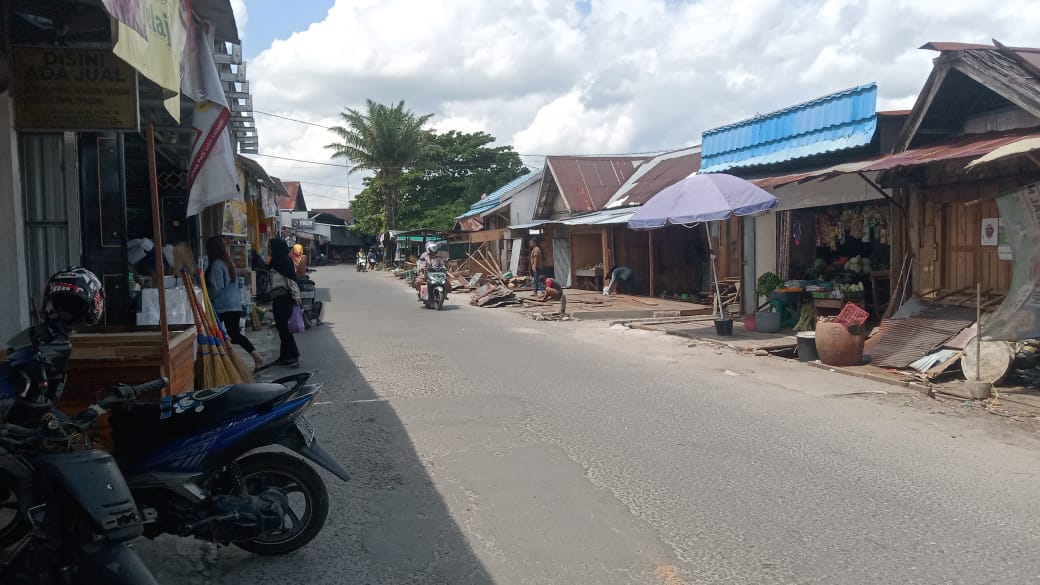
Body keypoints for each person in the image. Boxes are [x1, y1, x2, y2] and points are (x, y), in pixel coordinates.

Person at [205, 236, 263, 370]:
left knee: (218, 334)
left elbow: (217, 288)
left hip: (222, 306)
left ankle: (252, 357)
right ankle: (252, 357)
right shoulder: (227, 262)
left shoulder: (216, 265)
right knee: (232, 334)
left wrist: (208, 297)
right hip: (234, 304)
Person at [268, 238, 301, 367]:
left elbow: (291, 280)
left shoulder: (284, 261)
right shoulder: (275, 261)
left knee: (285, 329)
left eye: (270, 247)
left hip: (286, 299)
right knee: (281, 328)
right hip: (277, 299)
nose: (269, 250)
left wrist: (296, 295)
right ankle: (284, 356)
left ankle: (294, 356)